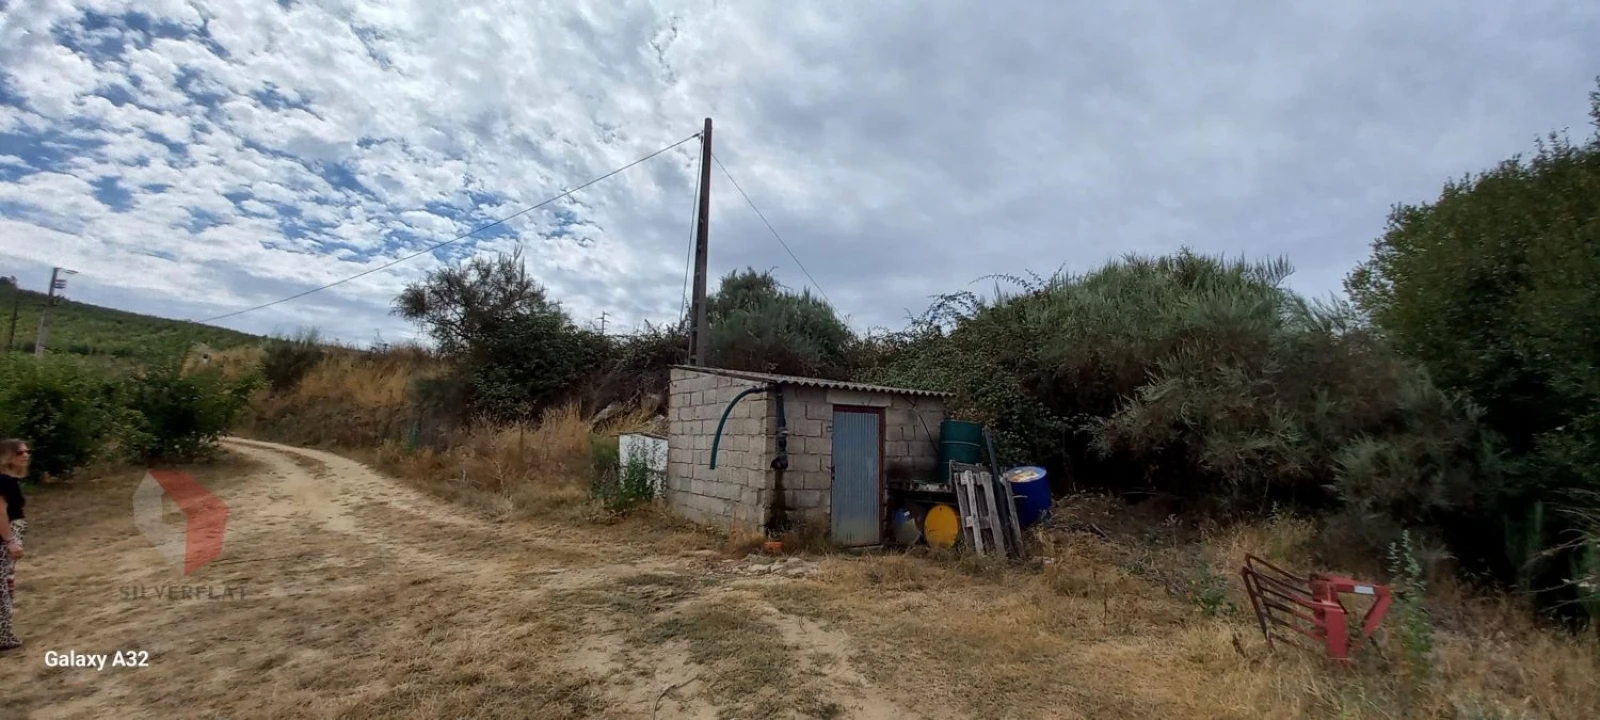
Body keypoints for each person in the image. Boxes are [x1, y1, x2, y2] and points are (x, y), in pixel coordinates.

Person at [0, 438, 29, 651]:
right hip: (4, 538)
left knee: (6, 582)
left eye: (27, 451)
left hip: (10, 534)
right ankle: (3, 636)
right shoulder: (3, 481)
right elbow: (0, 513)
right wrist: (10, 540)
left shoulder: (11, 480)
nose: (26, 455)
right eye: (20, 452)